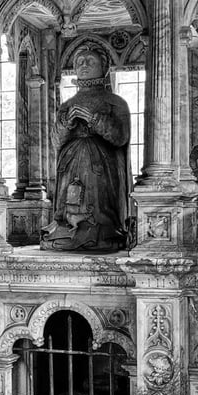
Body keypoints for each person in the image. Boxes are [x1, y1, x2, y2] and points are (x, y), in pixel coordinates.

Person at [41, 45, 131, 252]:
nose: (84, 65)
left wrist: (94, 119)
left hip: (101, 167)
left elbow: (120, 137)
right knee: (69, 200)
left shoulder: (116, 102)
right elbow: (56, 141)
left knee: (96, 206)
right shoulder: (67, 105)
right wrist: (67, 124)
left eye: (90, 61)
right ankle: (68, 228)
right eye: (80, 62)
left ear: (105, 67)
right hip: (69, 164)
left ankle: (99, 231)